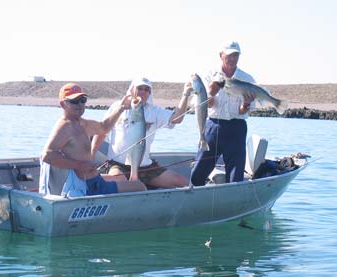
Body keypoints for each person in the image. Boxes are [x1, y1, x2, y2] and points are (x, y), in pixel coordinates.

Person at [39, 82, 146, 197]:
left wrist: (121, 108)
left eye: (83, 100)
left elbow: (104, 127)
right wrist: (79, 165)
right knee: (139, 187)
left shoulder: (83, 123)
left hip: (96, 181)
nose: (80, 104)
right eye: (74, 101)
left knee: (129, 181)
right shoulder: (65, 127)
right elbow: (47, 155)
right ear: (63, 104)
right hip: (88, 187)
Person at [91, 77, 192, 189]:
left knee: (182, 182)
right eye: (139, 88)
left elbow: (177, 119)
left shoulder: (155, 111)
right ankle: (90, 180)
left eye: (146, 89)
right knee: (118, 180)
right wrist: (91, 155)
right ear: (132, 89)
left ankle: (139, 182)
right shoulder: (117, 107)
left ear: (150, 93)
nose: (143, 92)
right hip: (118, 165)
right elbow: (101, 132)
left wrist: (185, 94)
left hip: (145, 166)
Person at [190, 41, 256, 186]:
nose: (232, 58)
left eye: (236, 55)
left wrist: (246, 104)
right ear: (221, 55)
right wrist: (212, 93)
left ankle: (231, 203)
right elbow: (204, 105)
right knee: (197, 173)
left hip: (236, 128)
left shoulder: (247, 79)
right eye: (229, 55)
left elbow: (243, 111)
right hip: (213, 127)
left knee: (235, 178)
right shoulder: (209, 75)